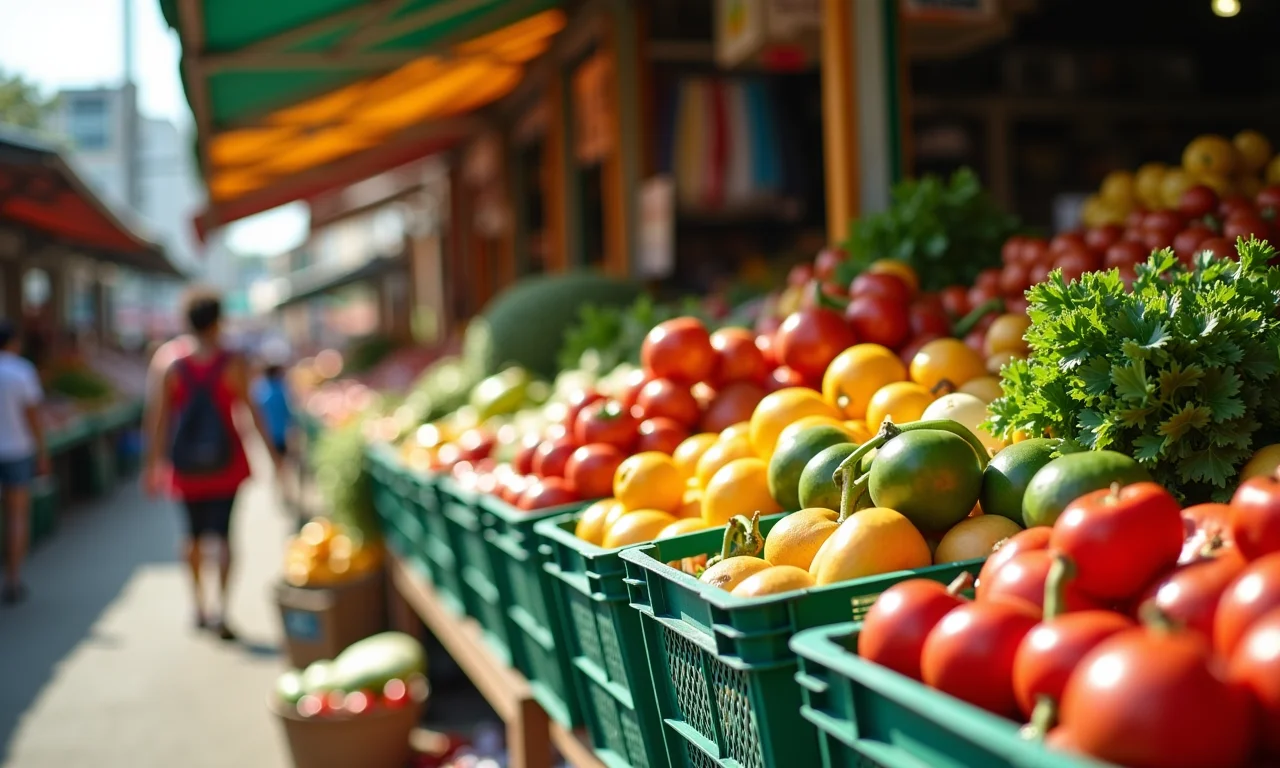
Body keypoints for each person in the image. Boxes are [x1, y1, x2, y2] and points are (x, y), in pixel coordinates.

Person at [143, 290, 280, 639]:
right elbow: (252, 410)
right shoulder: (233, 361)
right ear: (219, 321)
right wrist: (273, 456)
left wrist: (153, 465)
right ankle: (221, 609)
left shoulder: (168, 361)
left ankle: (198, 606)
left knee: (191, 535)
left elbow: (156, 419)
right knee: (223, 536)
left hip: (185, 465)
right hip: (227, 462)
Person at [0, 319, 48, 604]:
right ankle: (13, 578)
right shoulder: (21, 372)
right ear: (14, 342)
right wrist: (42, 452)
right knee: (17, 516)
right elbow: (33, 418)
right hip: (17, 451)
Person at [252, 361, 295, 502]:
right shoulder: (280, 390)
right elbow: (288, 412)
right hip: (281, 433)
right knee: (283, 463)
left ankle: (279, 489)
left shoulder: (260, 391)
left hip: (268, 434)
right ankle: (284, 490)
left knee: (276, 462)